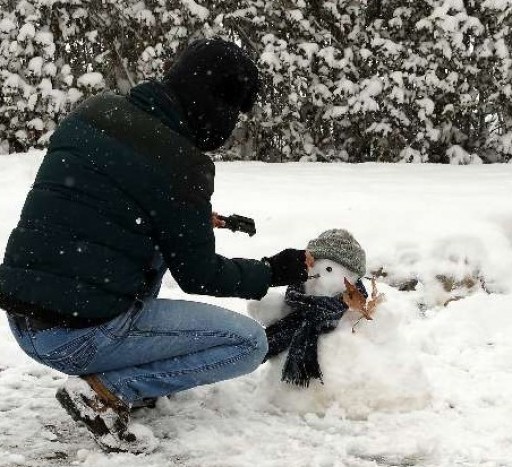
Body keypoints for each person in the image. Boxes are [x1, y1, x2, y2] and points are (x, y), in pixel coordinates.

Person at [0, 38, 312, 453]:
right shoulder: (182, 165)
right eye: (233, 114)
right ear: (212, 103)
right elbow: (200, 276)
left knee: (157, 242)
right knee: (247, 344)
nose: (230, 127)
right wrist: (275, 270)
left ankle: (123, 372)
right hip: (77, 335)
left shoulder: (95, 113)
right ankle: (107, 390)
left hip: (25, 320)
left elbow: (95, 202)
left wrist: (184, 219)